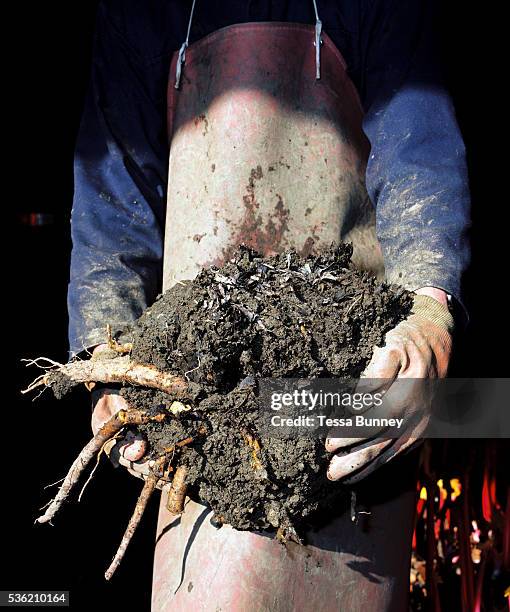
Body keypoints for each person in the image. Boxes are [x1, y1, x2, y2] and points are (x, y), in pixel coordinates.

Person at [69, 1, 470, 609]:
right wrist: (107, 355)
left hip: (349, 396)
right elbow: (112, 205)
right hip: (202, 408)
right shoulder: (138, 13)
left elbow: (420, 153)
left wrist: (428, 313)